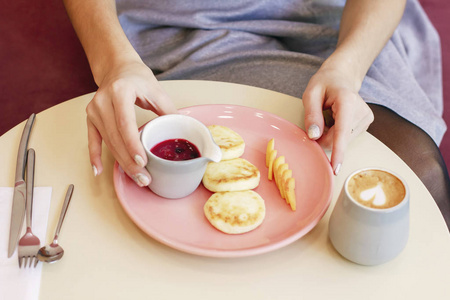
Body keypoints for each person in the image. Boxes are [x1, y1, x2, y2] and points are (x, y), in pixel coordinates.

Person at [63, 0, 450, 228]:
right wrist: (112, 61)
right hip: (184, 24)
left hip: (340, 24)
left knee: (421, 174)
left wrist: (347, 69)